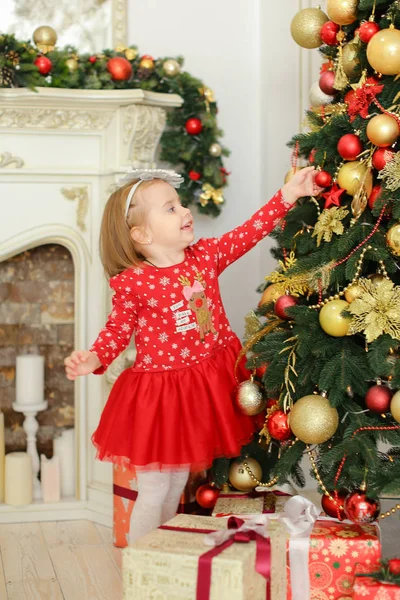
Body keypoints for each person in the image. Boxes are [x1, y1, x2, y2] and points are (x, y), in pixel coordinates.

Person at [64, 166, 322, 542]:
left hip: (205, 381)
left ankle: (161, 557)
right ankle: (141, 563)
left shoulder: (205, 256)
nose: (185, 211)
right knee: (155, 488)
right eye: (170, 208)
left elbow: (248, 233)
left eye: (181, 203)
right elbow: (117, 330)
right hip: (163, 396)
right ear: (142, 234)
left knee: (176, 485)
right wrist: (94, 358)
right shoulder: (134, 281)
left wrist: (287, 196)